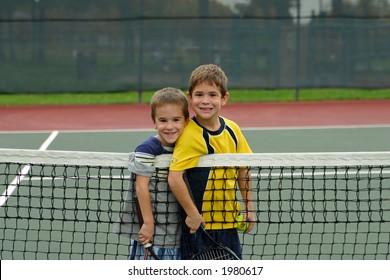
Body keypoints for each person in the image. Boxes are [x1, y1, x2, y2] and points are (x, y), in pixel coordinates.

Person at [168, 64, 255, 260]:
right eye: (199, 95)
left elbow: (243, 171)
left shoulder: (233, 129)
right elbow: (174, 178)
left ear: (224, 98)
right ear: (190, 97)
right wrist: (192, 214)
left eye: (212, 95)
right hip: (199, 226)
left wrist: (249, 207)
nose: (205, 101)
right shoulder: (189, 134)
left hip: (229, 223)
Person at [114, 87, 189, 260]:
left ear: (186, 121)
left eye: (176, 120)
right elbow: (141, 187)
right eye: (163, 120)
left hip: (176, 234)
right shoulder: (147, 148)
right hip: (151, 235)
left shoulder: (187, 147)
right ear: (154, 122)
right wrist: (148, 223)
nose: (169, 126)